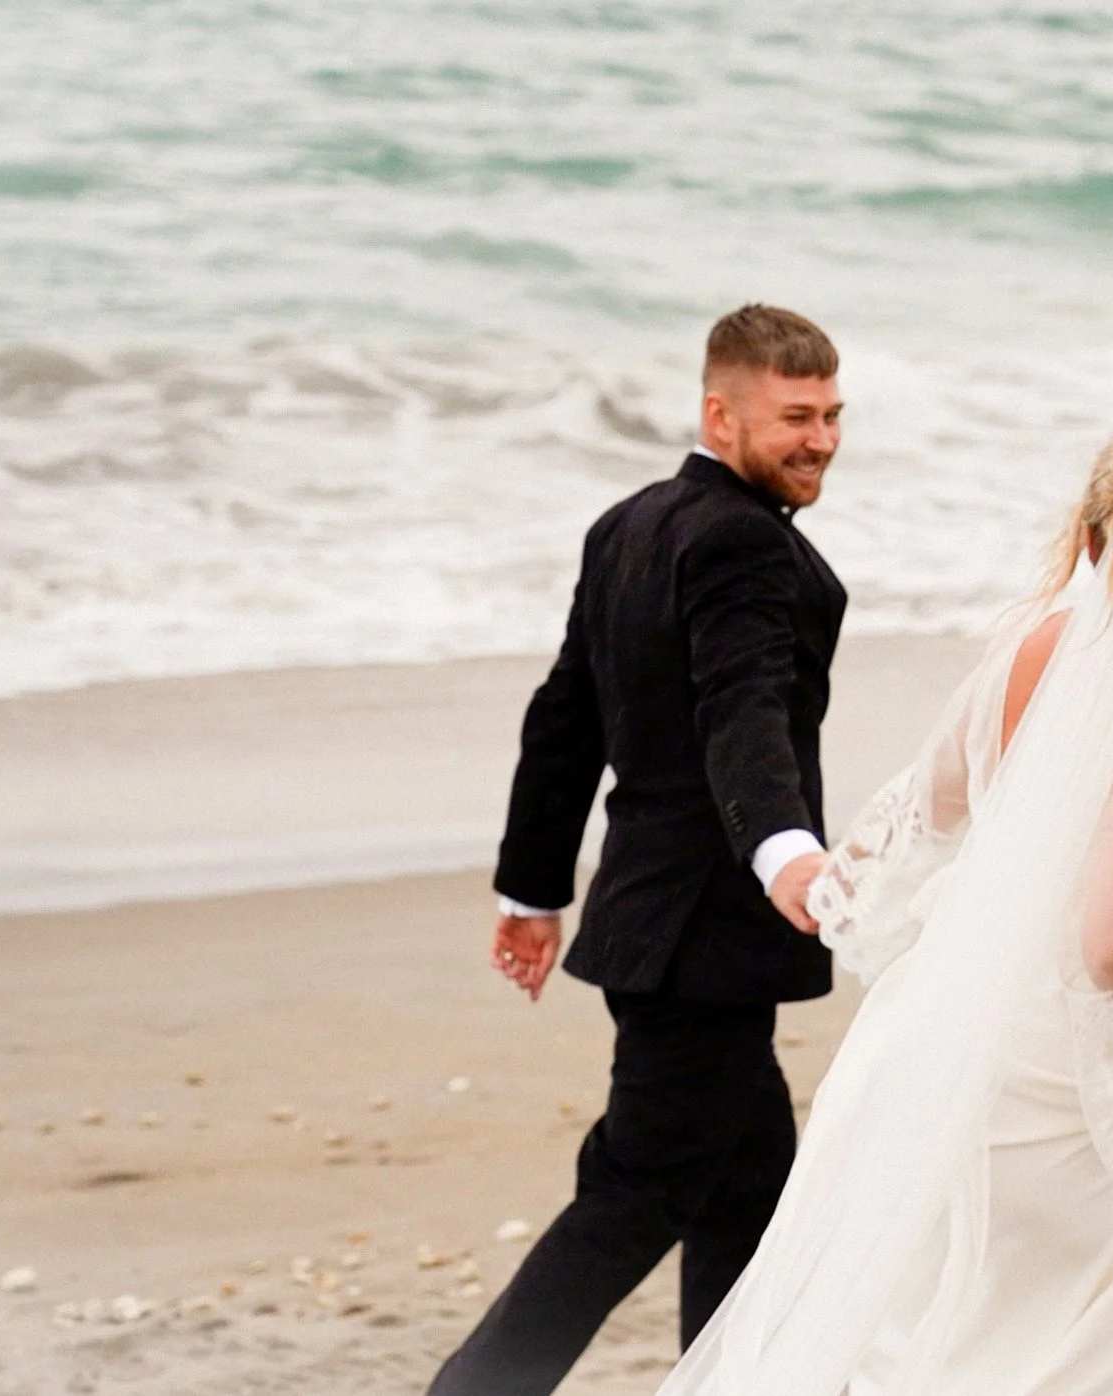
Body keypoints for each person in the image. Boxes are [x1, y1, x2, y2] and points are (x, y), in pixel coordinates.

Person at [658, 414, 1113, 1395]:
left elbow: (929, 807)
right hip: (1052, 1091)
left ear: (1087, 536)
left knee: (936, 1336)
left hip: (924, 1048)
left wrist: (832, 887)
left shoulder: (1026, 646)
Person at [426, 304, 847, 1396]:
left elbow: (565, 718)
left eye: (833, 414)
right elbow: (739, 711)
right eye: (795, 415)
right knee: (632, 1193)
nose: (821, 438)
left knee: (749, 1186)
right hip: (702, 936)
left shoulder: (629, 525)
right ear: (720, 412)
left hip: (653, 931)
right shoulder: (741, 544)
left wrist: (532, 887)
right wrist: (787, 853)